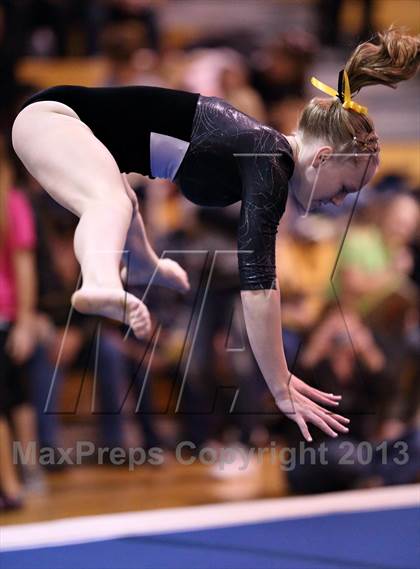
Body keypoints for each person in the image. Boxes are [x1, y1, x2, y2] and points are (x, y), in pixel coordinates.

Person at [11, 27, 420, 442]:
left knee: (119, 202)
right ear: (324, 157)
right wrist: (279, 383)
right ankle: (100, 281)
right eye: (345, 188)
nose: (338, 202)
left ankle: (115, 276)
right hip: (53, 119)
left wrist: (151, 262)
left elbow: (132, 193)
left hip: (63, 127)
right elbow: (259, 283)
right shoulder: (269, 158)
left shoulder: (263, 153)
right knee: (108, 202)